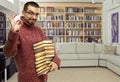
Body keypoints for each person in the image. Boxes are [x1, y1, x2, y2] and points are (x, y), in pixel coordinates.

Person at [3, 1, 60, 82]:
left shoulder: (38, 30)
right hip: (26, 79)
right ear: (23, 13)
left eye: (36, 14)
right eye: (31, 13)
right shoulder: (17, 30)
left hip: (43, 78)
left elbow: (49, 47)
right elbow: (8, 53)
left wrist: (55, 61)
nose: (34, 17)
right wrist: (13, 32)